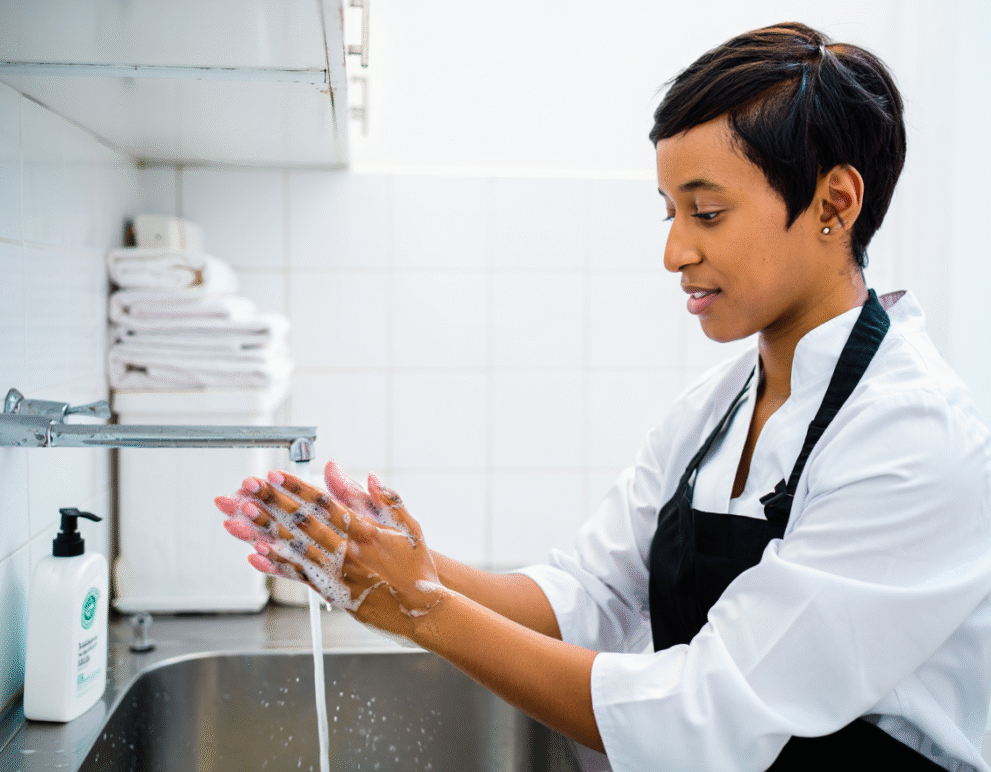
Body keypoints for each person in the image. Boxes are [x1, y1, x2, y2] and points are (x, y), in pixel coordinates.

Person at [215, 21, 991, 772]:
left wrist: (422, 610)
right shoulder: (715, 408)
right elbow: (588, 594)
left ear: (834, 204)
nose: (674, 251)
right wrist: (400, 565)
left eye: (707, 212)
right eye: (670, 211)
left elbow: (708, 715)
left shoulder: (911, 435)